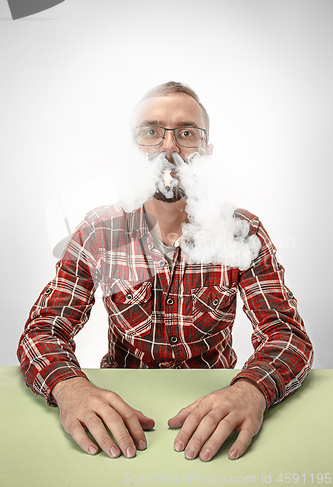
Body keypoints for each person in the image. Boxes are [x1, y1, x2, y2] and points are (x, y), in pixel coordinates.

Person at [17, 81, 313, 462]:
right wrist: (70, 388)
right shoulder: (98, 230)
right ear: (133, 150)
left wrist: (250, 391)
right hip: (122, 419)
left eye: (187, 133)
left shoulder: (243, 231)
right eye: (151, 132)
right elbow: (44, 330)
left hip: (219, 413)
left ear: (207, 152)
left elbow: (287, 336)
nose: (169, 147)